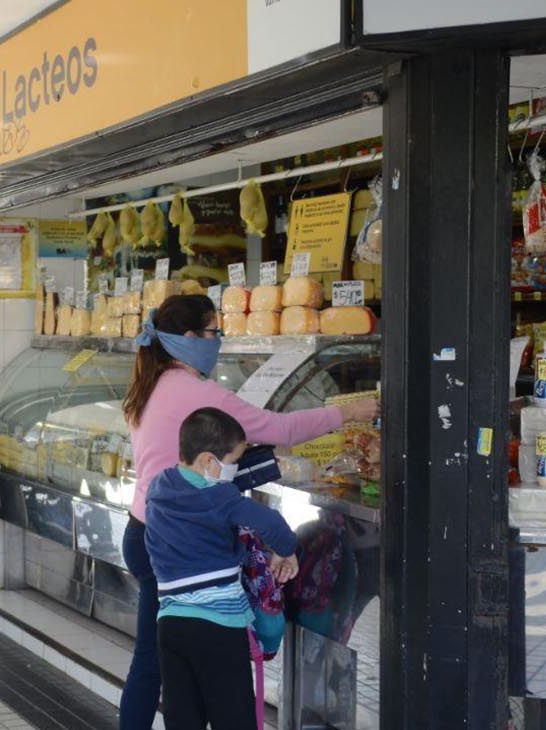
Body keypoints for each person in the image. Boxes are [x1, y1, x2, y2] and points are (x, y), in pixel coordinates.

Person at [118, 295, 378, 729]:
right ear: (189, 338)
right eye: (212, 331)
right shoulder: (196, 393)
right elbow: (279, 429)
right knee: (175, 664)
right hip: (183, 544)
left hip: (143, 530)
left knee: (156, 659)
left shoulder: (147, 385)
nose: (218, 340)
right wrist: (348, 412)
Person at [145, 408, 298, 730]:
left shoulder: (159, 486)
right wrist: (287, 552)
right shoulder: (218, 497)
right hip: (217, 627)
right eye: (232, 462)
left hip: (170, 624)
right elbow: (272, 524)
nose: (234, 470)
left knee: (183, 718)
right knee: (234, 717)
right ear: (208, 462)